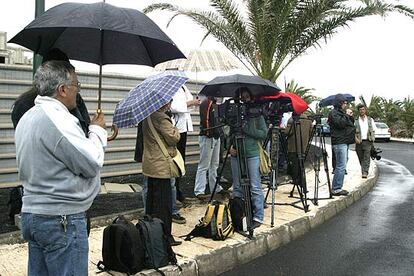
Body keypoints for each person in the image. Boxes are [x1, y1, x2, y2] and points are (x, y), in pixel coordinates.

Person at [15, 60, 107, 275]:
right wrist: (96, 131)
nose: (78, 91)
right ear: (63, 89)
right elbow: (91, 162)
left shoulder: (29, 117)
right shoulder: (58, 119)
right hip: (60, 219)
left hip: (34, 215)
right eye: (77, 85)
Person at [11, 48, 90, 135]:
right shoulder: (25, 104)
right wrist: (97, 131)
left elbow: (85, 130)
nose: (77, 90)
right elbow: (81, 137)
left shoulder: (75, 99)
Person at [142, 100, 182, 246]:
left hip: (150, 166)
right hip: (161, 168)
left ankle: (151, 235)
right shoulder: (161, 117)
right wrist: (175, 128)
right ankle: (165, 238)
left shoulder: (147, 116)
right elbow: (173, 138)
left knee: (152, 204)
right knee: (164, 206)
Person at [230, 89, 268, 229]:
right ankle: (240, 215)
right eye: (241, 97)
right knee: (237, 187)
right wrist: (228, 148)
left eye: (246, 97)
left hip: (252, 154)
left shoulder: (257, 114)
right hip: (236, 154)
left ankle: (258, 216)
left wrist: (245, 129)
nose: (244, 99)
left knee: (255, 186)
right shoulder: (234, 114)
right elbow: (229, 132)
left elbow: (263, 134)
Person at [170, 84, 200, 202]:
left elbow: (190, 103)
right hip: (175, 127)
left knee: (181, 160)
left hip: (183, 127)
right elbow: (173, 107)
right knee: (175, 159)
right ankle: (174, 191)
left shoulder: (183, 87)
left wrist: (193, 103)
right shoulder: (170, 88)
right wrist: (189, 103)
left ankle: (178, 189)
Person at [194, 96, 225, 199]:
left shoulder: (214, 103)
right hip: (208, 136)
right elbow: (205, 120)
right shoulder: (206, 103)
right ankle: (199, 190)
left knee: (214, 164)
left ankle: (214, 187)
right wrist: (209, 132)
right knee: (204, 165)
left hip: (214, 136)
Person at [328, 94, 356, 196]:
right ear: (340, 103)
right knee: (341, 166)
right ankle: (336, 189)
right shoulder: (333, 113)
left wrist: (349, 116)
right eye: (345, 103)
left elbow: (350, 124)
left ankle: (337, 186)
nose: (346, 105)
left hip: (344, 141)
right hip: (339, 142)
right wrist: (347, 116)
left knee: (342, 165)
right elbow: (340, 124)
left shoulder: (341, 113)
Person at [355, 104, 376, 178]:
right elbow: (352, 131)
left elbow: (373, 130)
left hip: (368, 141)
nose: (362, 111)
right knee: (361, 157)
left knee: (367, 157)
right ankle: (363, 169)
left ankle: (365, 172)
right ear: (358, 111)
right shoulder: (356, 120)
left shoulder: (370, 120)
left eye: (363, 109)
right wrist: (356, 139)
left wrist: (372, 139)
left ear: (365, 110)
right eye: (360, 110)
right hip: (359, 142)